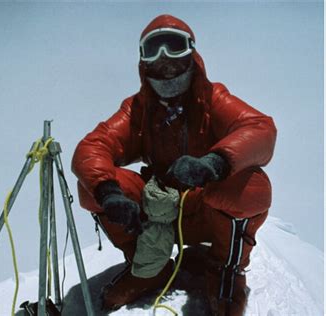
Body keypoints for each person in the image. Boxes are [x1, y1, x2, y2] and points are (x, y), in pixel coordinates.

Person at [71, 14, 276, 316]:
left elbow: (260, 129)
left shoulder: (212, 98)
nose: (165, 60)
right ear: (143, 63)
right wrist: (109, 192)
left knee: (252, 187)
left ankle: (225, 269)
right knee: (93, 186)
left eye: (174, 47)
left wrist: (214, 163)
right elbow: (93, 147)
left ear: (192, 54)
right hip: (160, 211)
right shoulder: (138, 109)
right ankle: (147, 266)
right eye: (153, 49)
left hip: (205, 207)